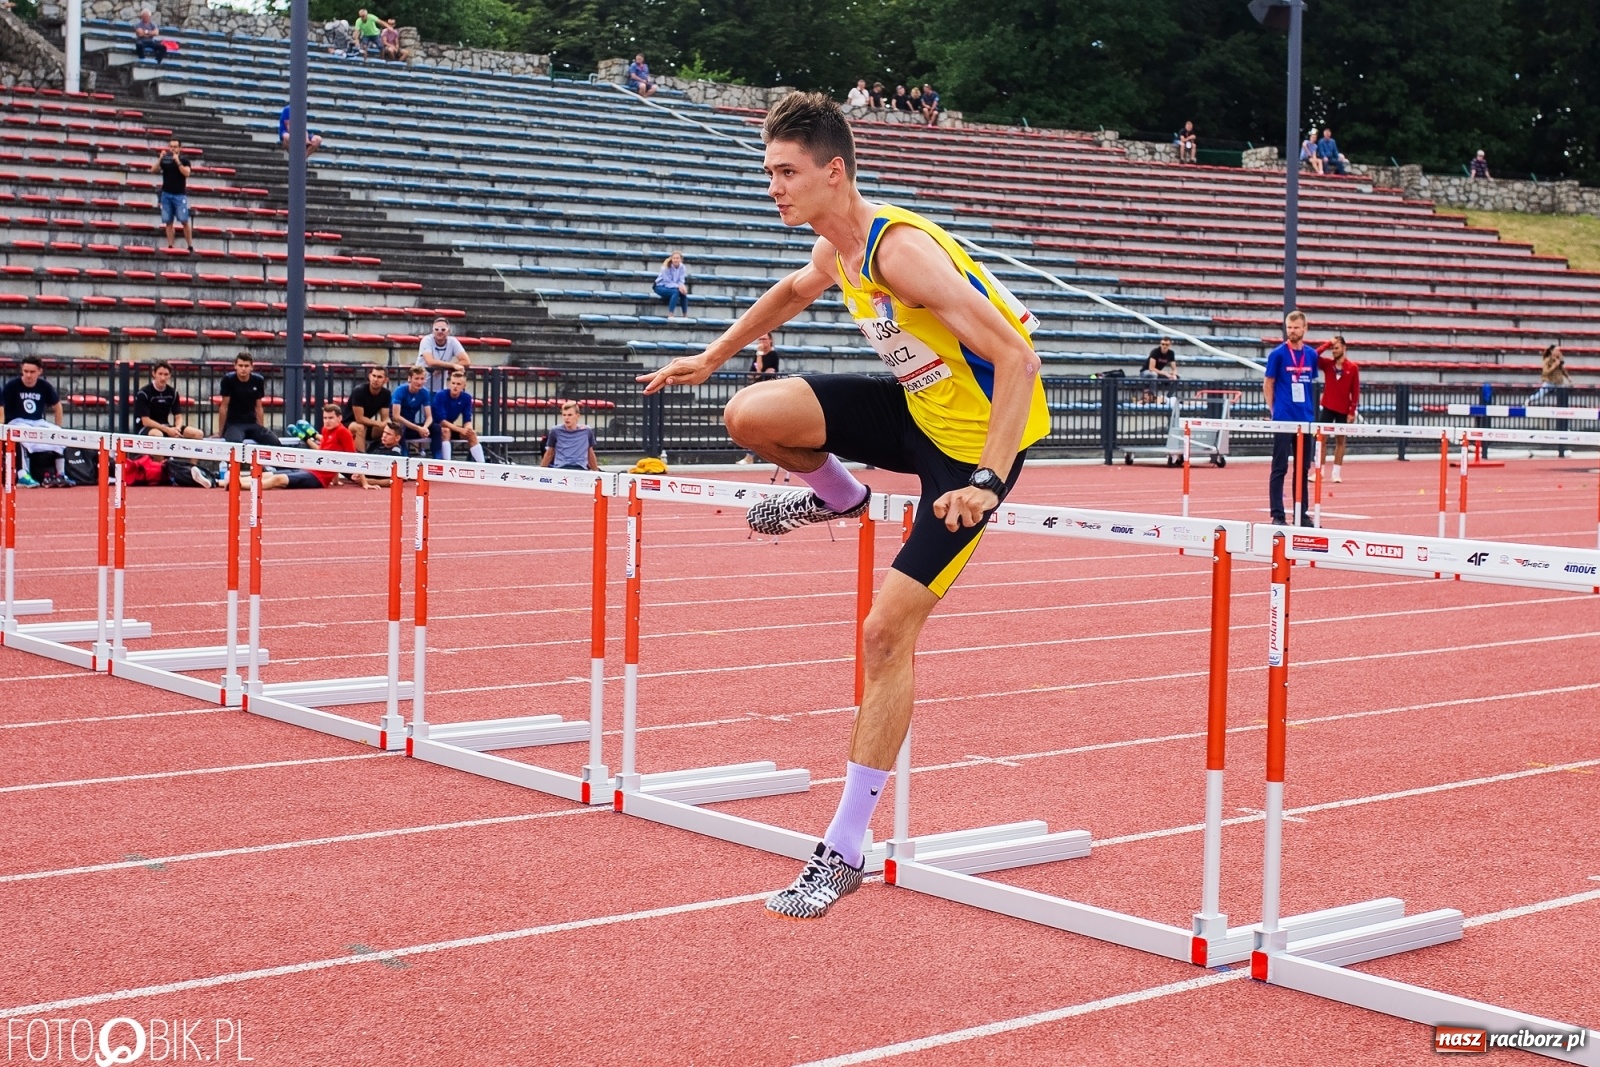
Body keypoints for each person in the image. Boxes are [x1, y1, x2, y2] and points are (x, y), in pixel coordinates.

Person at [638, 92, 1050, 920]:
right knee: (749, 415)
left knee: (883, 634)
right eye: (768, 172)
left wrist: (987, 479)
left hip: (976, 443)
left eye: (786, 172)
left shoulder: (901, 254)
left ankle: (845, 847)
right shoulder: (836, 249)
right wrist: (711, 356)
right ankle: (842, 496)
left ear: (834, 171)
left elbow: (1018, 357)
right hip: (915, 410)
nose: (773, 188)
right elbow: (791, 292)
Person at [1264, 311, 1318, 526]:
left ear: (1305, 328)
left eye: (1296, 327)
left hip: (1305, 419)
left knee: (1303, 469)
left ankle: (1301, 513)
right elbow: (1268, 383)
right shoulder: (1277, 354)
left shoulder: (1311, 355)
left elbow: (1309, 382)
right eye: (1289, 327)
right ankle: (1277, 514)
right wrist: (1274, 410)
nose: (1292, 331)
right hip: (1284, 418)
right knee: (1280, 467)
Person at [245, 404, 355, 490]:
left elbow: (354, 457)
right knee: (267, 475)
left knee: (277, 479)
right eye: (325, 418)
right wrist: (335, 481)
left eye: (331, 418)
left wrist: (363, 481)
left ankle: (240, 485)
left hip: (318, 478)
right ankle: (235, 481)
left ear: (339, 418)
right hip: (310, 468)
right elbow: (325, 453)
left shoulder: (343, 432)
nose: (327, 421)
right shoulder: (325, 430)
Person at [3, 355, 67, 487]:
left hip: (37, 422)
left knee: (60, 434)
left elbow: (57, 406)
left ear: (39, 371)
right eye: (25, 371)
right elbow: (1, 408)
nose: (28, 375)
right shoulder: (12, 386)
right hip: (16, 421)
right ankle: (23, 475)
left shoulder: (44, 386)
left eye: (32, 372)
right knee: (18, 435)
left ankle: (61, 474)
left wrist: (58, 427)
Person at [1314, 335, 1359, 481]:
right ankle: (1319, 471)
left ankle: (1336, 473)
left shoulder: (1352, 368)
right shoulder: (1328, 364)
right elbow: (1314, 355)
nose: (1334, 351)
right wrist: (1327, 343)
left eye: (1336, 348)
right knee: (1321, 438)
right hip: (1328, 406)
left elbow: (1355, 391)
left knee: (1340, 440)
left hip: (1343, 409)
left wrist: (1352, 411)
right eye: (1332, 348)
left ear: (1344, 348)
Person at [216, 352, 278, 446]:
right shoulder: (228, 380)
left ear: (251, 367)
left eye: (246, 366)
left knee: (274, 441)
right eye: (240, 366)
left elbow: (258, 407)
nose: (243, 369)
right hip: (234, 424)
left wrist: (261, 428)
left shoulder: (258, 380)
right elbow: (224, 406)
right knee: (235, 443)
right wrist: (220, 432)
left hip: (252, 423)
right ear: (235, 366)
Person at [135, 360, 203, 440]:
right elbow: (146, 421)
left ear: (170, 375)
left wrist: (177, 428)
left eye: (166, 374)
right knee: (158, 435)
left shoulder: (173, 392)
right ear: (154, 374)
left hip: (166, 426)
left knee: (198, 434)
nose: (163, 378)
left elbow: (178, 416)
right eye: (160, 374)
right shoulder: (144, 393)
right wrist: (166, 430)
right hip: (147, 427)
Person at [149, 137, 194, 252]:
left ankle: (189, 245)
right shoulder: (166, 160)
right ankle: (170, 245)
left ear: (180, 148)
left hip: (179, 195)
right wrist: (160, 159)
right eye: (171, 146)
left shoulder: (184, 160)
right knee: (168, 222)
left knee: (184, 220)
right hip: (166, 194)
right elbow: (153, 170)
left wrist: (177, 161)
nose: (173, 149)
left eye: (175, 147)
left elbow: (187, 173)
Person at [432, 369, 485, 462]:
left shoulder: (466, 398)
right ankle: (447, 463)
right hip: (435, 427)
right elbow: (442, 421)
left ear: (464, 386)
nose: (455, 386)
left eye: (458, 384)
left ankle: (483, 465)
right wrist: (461, 430)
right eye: (453, 383)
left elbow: (467, 419)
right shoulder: (440, 395)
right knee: (445, 430)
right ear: (449, 384)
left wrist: (468, 429)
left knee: (471, 434)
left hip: (451, 427)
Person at [344, 364, 391, 452]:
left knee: (389, 428)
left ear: (386, 380)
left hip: (368, 425)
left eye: (379, 377)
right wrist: (379, 424)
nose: (375, 379)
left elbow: (385, 417)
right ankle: (361, 457)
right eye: (374, 376)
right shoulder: (359, 391)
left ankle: (381, 452)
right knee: (360, 427)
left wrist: (387, 424)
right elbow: (359, 419)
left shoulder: (386, 393)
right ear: (369, 376)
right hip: (348, 424)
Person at [539, 401, 599, 471]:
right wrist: (540, 472)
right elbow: (549, 453)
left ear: (577, 416)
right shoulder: (555, 431)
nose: (566, 418)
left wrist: (596, 472)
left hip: (580, 468)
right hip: (561, 468)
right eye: (564, 415)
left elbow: (590, 453)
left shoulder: (586, 431)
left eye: (570, 415)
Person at [416, 317, 470, 393]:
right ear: (432, 331)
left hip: (439, 388)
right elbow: (430, 362)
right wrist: (452, 365)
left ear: (448, 331)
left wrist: (442, 368)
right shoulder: (426, 340)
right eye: (436, 329)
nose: (439, 332)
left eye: (443, 329)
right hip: (420, 387)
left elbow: (466, 361)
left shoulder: (453, 341)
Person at [390, 365, 433, 454]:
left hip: (411, 425)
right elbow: (396, 416)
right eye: (416, 378)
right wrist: (418, 428)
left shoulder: (425, 392)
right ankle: (404, 455)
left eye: (422, 379)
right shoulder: (400, 390)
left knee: (436, 428)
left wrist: (424, 428)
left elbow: (429, 416)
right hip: (397, 425)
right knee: (400, 426)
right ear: (409, 379)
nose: (419, 382)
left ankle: (438, 457)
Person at [1141, 337, 1178, 402]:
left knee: (1176, 378)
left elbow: (1174, 368)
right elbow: (1151, 368)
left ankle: (1168, 398)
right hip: (1146, 372)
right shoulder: (1155, 352)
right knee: (1153, 374)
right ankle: (1153, 396)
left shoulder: (1171, 353)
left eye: (1166, 345)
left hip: (1157, 372)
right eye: (1162, 344)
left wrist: (1174, 375)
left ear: (1170, 345)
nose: (1164, 346)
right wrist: (1165, 373)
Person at [654, 252, 690, 316]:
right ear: (671, 259)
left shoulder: (682, 267)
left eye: (677, 258)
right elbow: (667, 282)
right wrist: (678, 286)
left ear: (680, 259)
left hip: (673, 286)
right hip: (660, 286)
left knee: (683, 293)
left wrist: (682, 287)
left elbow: (681, 280)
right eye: (674, 258)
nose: (676, 260)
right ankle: (671, 313)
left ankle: (685, 314)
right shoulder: (665, 267)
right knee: (676, 292)